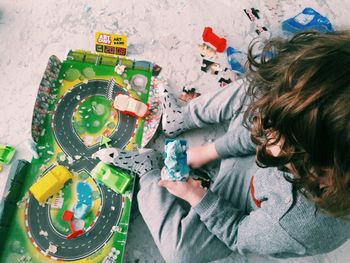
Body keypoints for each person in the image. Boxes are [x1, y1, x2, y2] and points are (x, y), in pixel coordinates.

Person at [95, 30, 350, 262]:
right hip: (271, 164)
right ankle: (181, 118)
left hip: (247, 202)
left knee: (182, 252)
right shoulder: (287, 120)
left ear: (324, 176)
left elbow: (237, 233)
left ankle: (147, 169)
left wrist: (197, 196)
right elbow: (264, 124)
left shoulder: (294, 225)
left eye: (278, 135)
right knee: (259, 88)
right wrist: (211, 150)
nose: (263, 128)